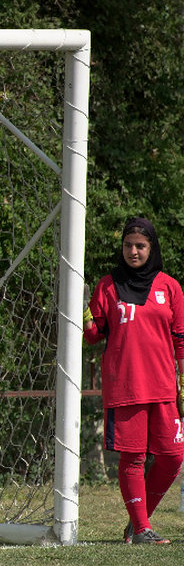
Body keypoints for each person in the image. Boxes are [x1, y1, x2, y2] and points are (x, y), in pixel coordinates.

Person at [84, 217, 184, 545]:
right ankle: (141, 529)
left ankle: (138, 522)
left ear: (151, 248)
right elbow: (93, 335)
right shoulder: (107, 286)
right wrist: (82, 311)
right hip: (125, 385)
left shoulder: (170, 287)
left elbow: (181, 339)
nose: (133, 251)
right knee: (134, 458)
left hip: (164, 387)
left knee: (172, 455)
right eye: (128, 245)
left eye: (140, 246)